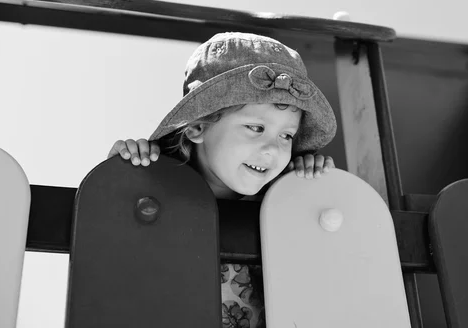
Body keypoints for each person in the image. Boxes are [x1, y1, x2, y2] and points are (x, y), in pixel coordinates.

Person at [107, 32, 337, 328]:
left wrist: (307, 183)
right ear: (198, 128)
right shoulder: (157, 195)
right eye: (255, 127)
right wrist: (125, 175)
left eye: (286, 135)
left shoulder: (283, 201)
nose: (272, 149)